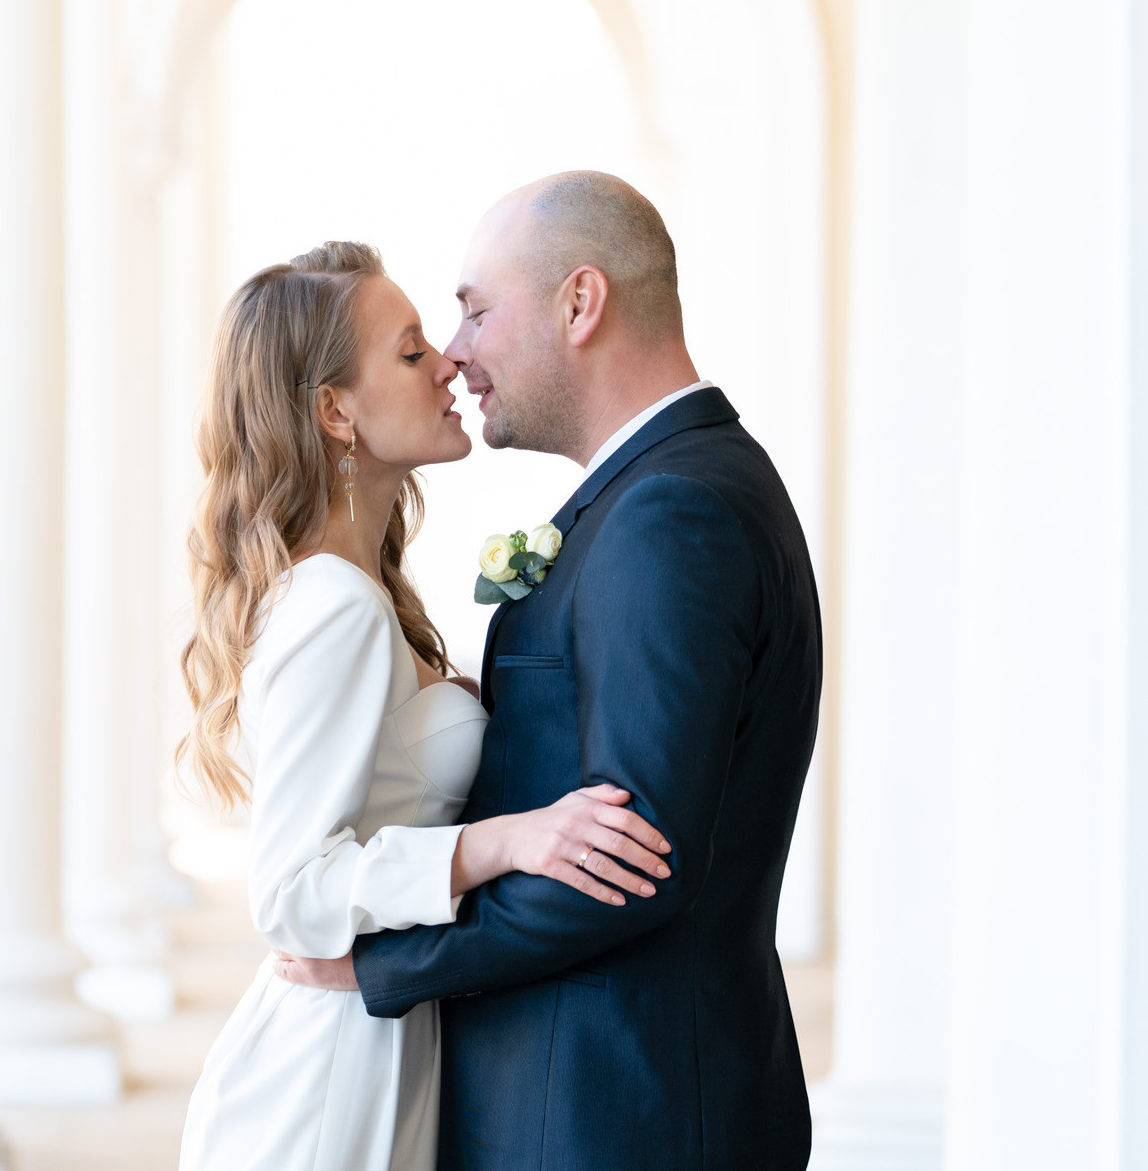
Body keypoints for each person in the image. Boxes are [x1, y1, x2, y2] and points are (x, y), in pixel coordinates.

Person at [276, 173, 822, 1170]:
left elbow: (632, 858)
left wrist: (381, 963)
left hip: (613, 1111)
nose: (455, 353)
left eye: (474, 310)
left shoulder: (668, 515)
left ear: (579, 303)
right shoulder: (664, 492)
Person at [176, 239, 673, 1171]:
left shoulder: (358, 589)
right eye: (410, 353)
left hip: (381, 1046)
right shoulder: (335, 607)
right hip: (326, 1082)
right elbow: (291, 896)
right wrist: (504, 841)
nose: (448, 361)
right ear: (335, 412)